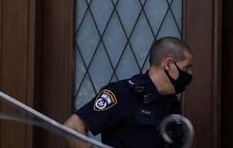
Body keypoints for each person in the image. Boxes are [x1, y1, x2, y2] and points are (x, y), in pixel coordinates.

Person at [63, 36, 193, 147]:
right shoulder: (122, 94)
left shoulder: (170, 103)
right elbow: (74, 127)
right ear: (168, 64)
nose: (190, 74)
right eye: (186, 68)